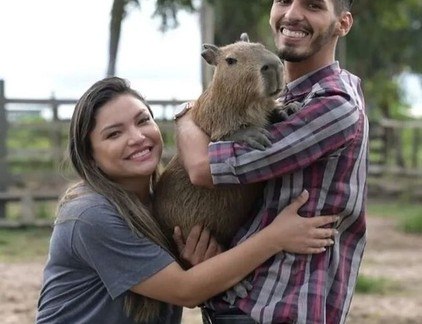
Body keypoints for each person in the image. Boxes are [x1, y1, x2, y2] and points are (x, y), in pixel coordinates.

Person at [36, 76, 339, 324]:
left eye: (143, 121)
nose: (137, 137)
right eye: (114, 134)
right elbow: (184, 291)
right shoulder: (89, 215)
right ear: (90, 155)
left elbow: (180, 284)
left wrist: (201, 264)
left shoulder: (159, 204)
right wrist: (276, 237)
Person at [176, 0, 368, 324]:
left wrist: (184, 117)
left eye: (313, 5)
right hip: (236, 298)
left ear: (343, 23)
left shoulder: (334, 106)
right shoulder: (289, 96)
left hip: (278, 307)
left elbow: (203, 167)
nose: (293, 14)